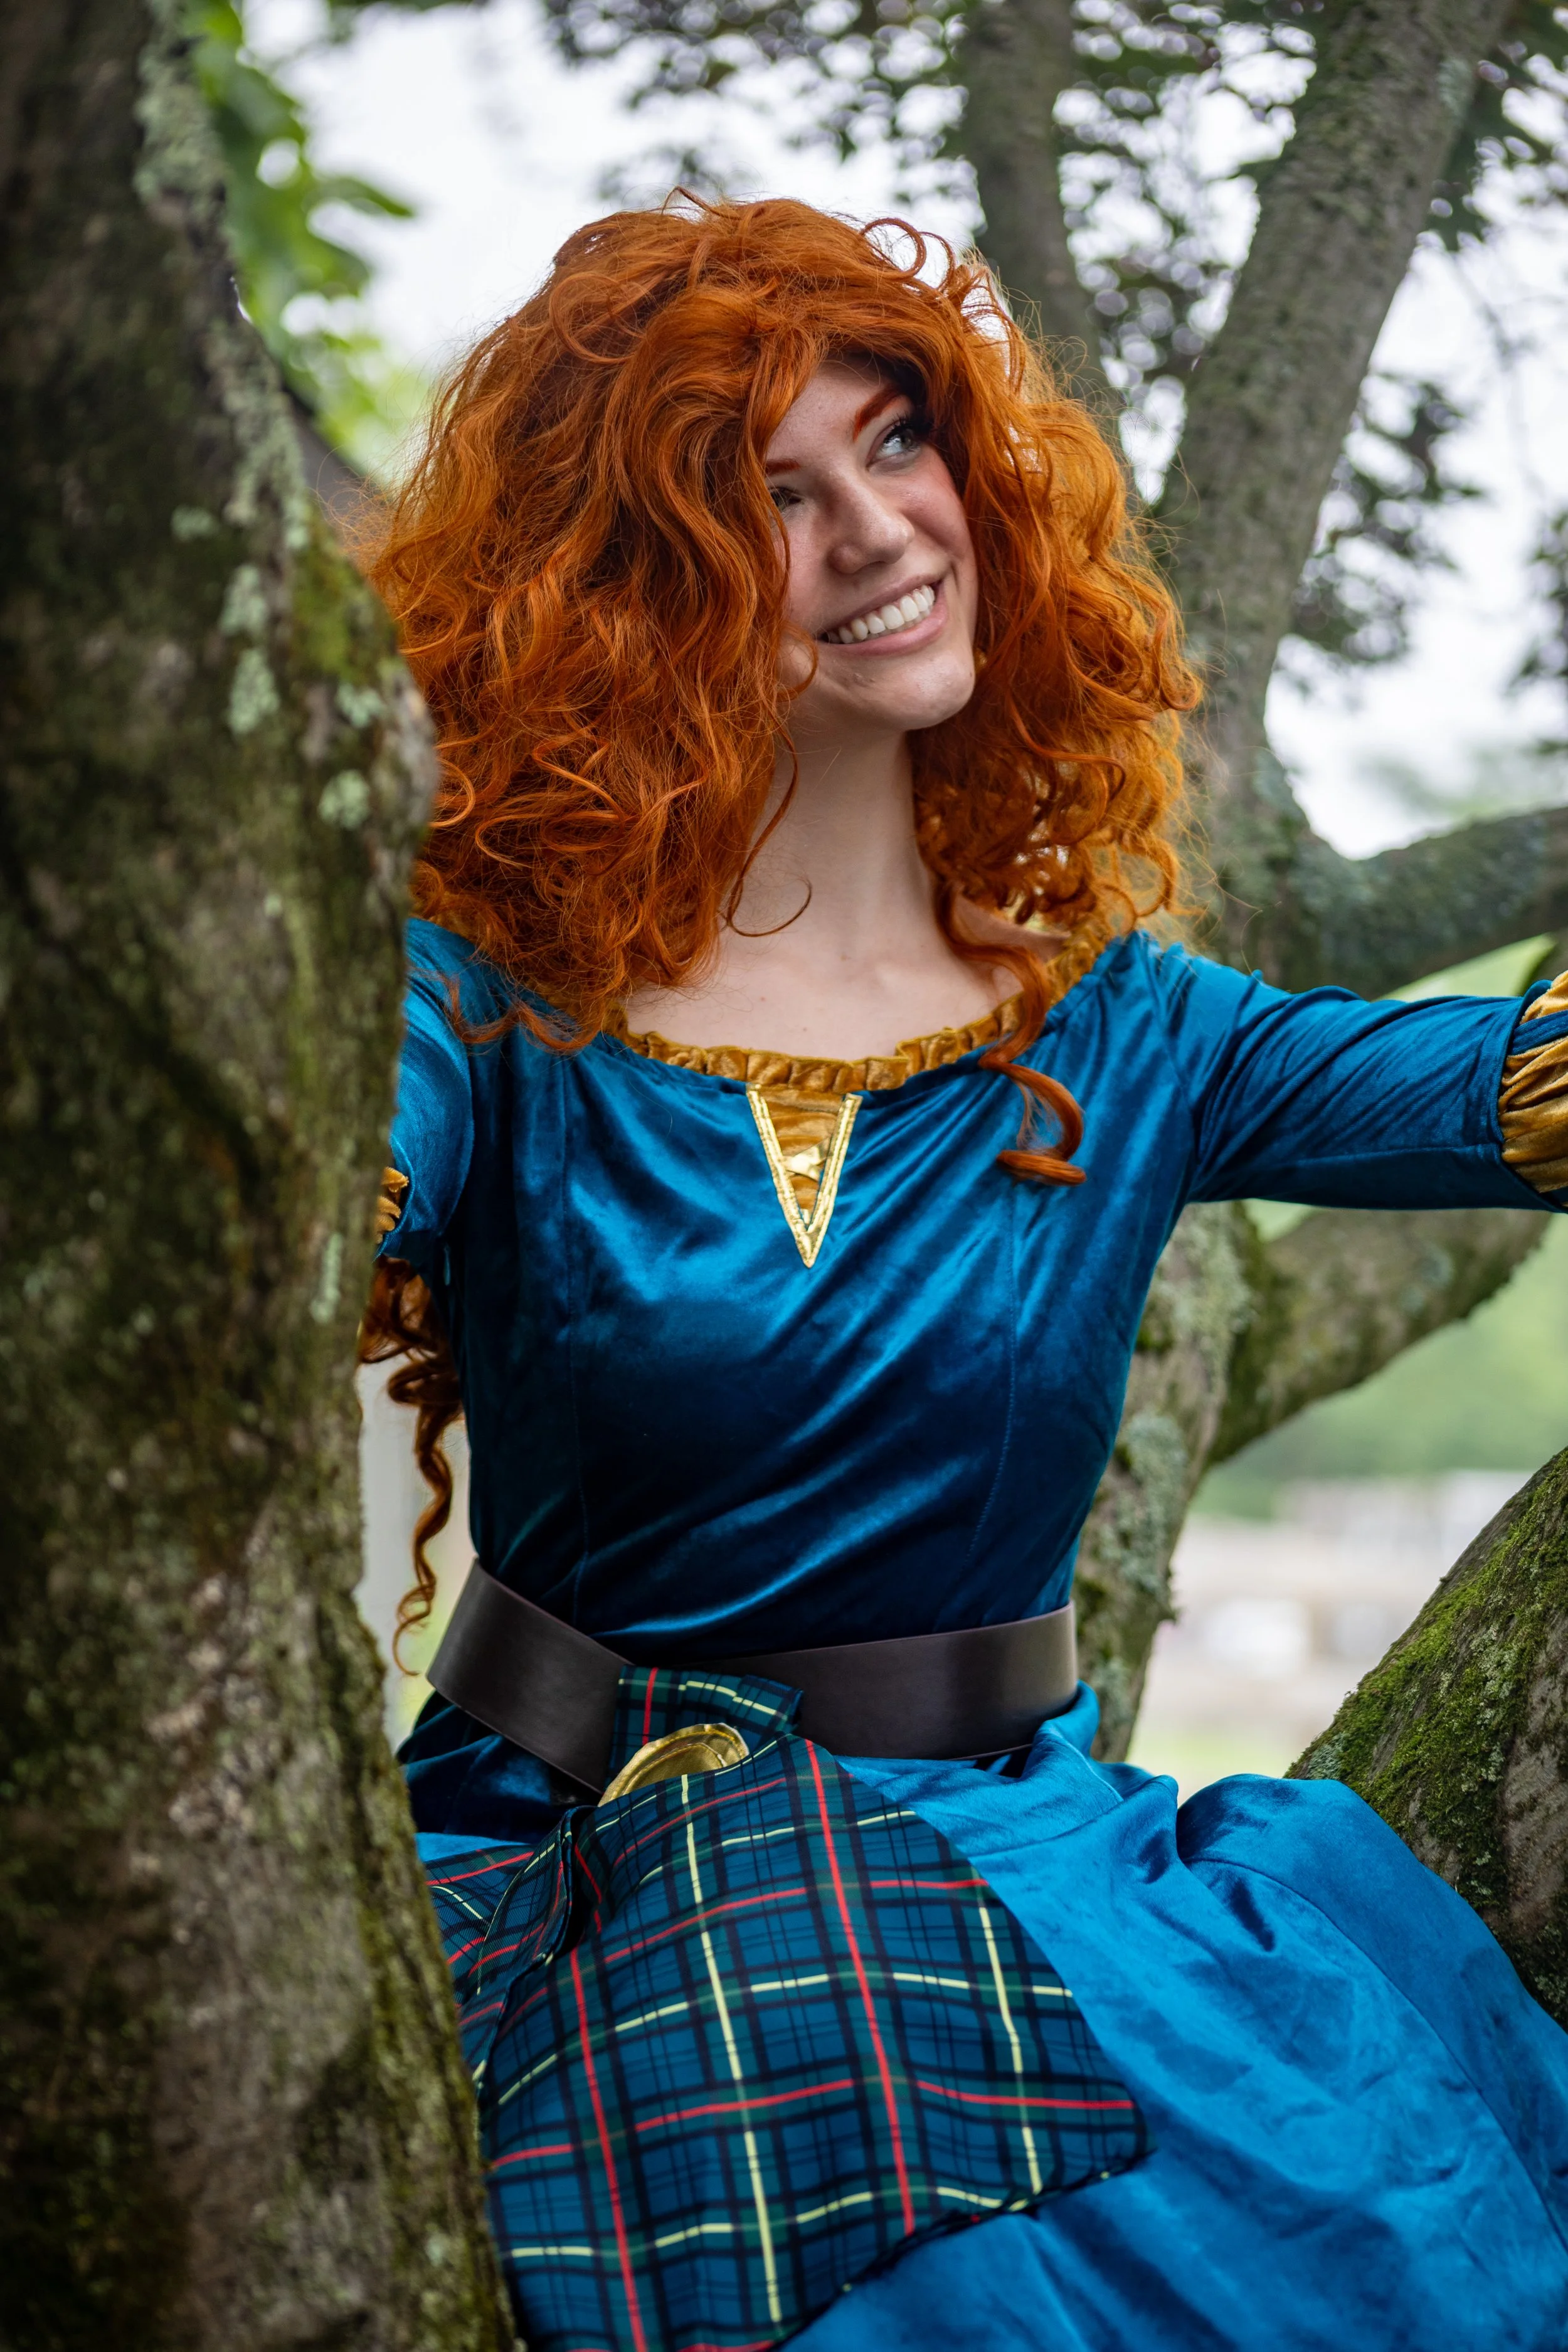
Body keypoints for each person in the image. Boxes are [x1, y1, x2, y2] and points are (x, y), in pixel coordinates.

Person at [361, 196, 1568, 2352]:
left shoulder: (1135, 1033)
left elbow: (1517, 1091)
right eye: (768, 497)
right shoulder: (482, 1015)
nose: (871, 530)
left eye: (898, 442)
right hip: (540, 1880)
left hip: (1015, 1880)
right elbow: (294, 1216)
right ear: (636, 595)